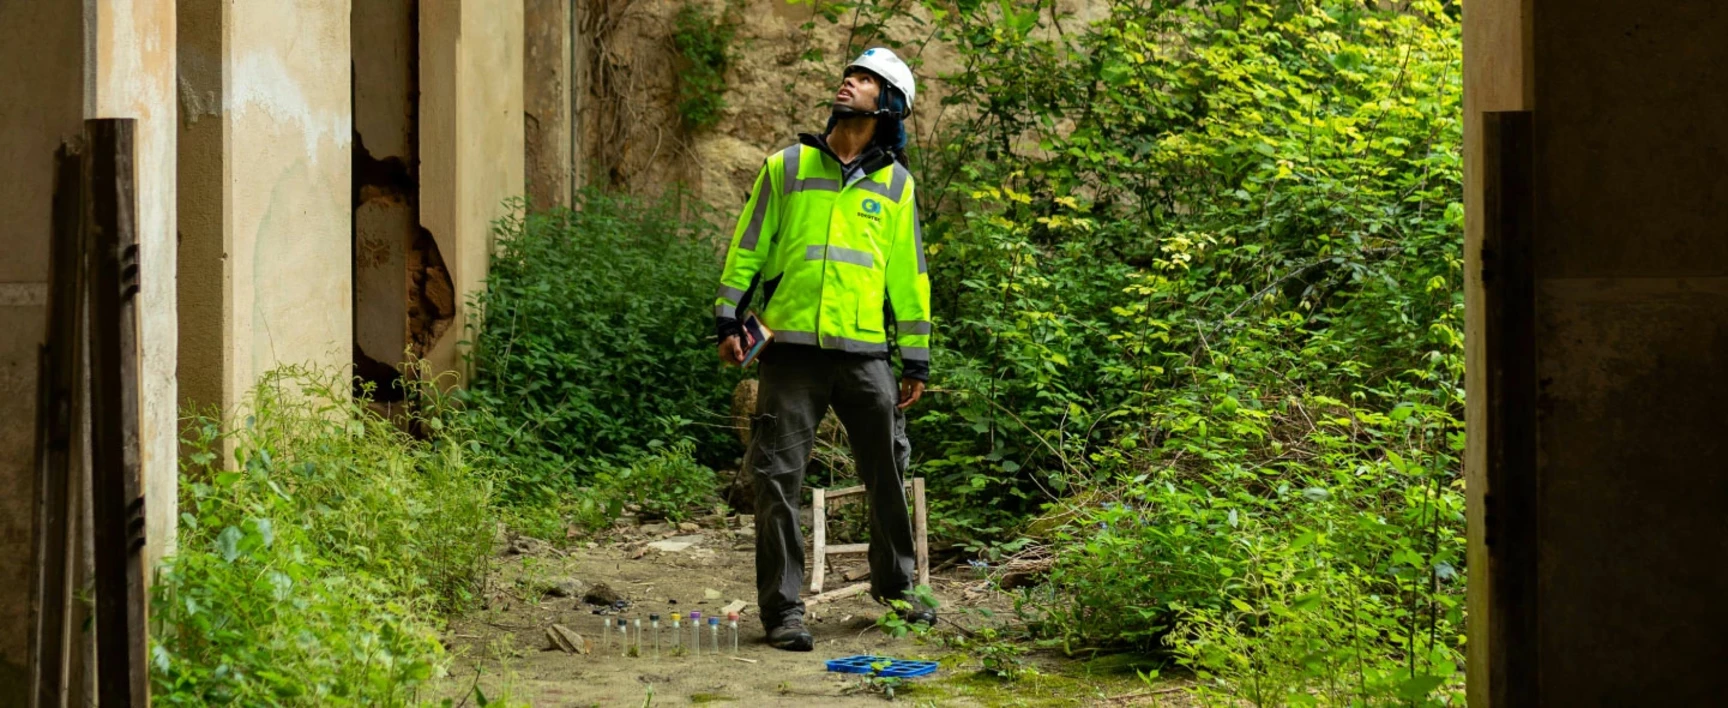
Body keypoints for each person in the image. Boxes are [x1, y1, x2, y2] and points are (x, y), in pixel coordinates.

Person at [713, 47, 934, 652]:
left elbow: (908, 278)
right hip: (791, 353)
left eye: (865, 80)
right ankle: (783, 611)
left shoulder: (896, 186)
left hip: (865, 355)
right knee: (776, 478)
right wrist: (727, 318)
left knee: (887, 470)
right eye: (850, 74)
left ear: (888, 104)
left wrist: (915, 359)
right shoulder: (786, 166)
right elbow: (749, 245)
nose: (849, 82)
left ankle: (897, 590)